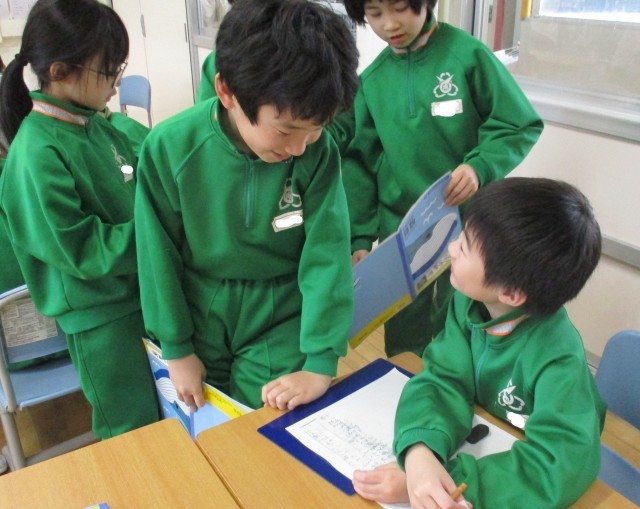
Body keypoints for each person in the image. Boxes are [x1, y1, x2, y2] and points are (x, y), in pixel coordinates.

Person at [135, 0, 359, 411]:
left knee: (266, 421)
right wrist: (176, 347)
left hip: (281, 312)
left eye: (314, 130)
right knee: (203, 422)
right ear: (227, 92)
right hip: (200, 308)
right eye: (286, 131)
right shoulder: (169, 147)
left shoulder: (319, 153)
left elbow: (327, 255)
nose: (299, 147)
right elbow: (156, 255)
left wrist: (320, 362)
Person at [352, 177, 605, 509]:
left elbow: (558, 466)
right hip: (492, 430)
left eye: (465, 247)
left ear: (510, 293)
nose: (452, 247)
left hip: (530, 459)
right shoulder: (469, 303)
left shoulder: (558, 358)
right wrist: (420, 453)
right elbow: (443, 381)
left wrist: (452, 483)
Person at [333, 0, 544, 357]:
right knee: (404, 325)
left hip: (468, 222)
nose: (390, 24)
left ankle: (463, 378)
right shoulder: (372, 81)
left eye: (401, 8)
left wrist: (479, 166)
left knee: (465, 313)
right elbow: (359, 163)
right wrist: (360, 237)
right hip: (403, 229)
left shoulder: (467, 56)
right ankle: (407, 380)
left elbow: (518, 123)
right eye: (375, 13)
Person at [0, 0, 160, 439]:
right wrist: (160, 235)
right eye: (107, 70)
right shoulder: (36, 153)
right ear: (59, 71)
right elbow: (83, 250)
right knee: (131, 430)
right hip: (101, 320)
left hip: (139, 295)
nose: (116, 82)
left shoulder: (92, 124)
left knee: (164, 411)